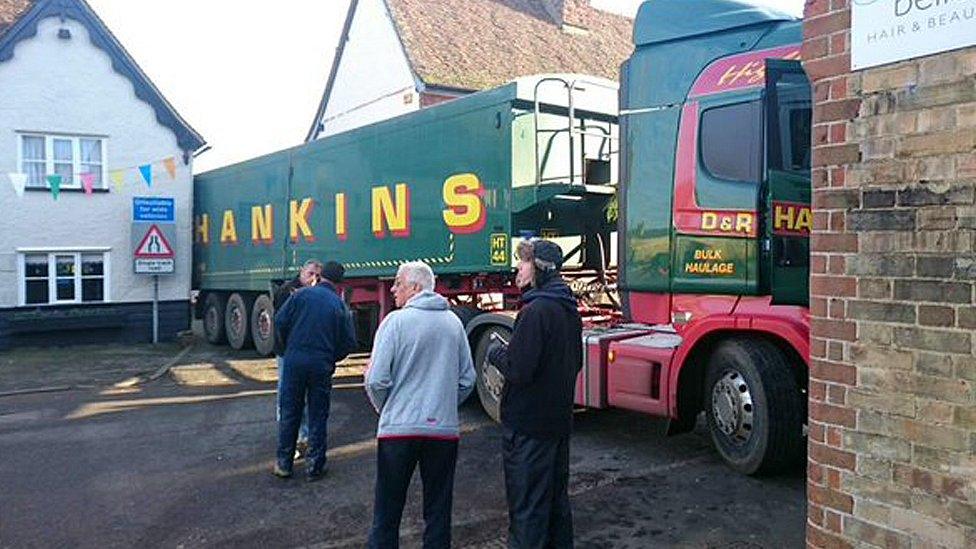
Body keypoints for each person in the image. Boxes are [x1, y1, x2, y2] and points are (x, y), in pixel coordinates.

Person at [365, 261, 476, 548]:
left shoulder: (394, 323)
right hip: (442, 432)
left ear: (415, 287)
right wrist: (444, 405)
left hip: (398, 432)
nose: (393, 289)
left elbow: (376, 379)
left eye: (398, 283)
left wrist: (386, 408)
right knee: (438, 510)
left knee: (387, 511)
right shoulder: (453, 323)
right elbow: (467, 379)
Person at [487, 238, 583, 549]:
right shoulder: (568, 308)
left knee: (527, 508)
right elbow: (576, 362)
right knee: (556, 504)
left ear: (539, 269)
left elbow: (518, 369)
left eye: (523, 262)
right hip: (557, 424)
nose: (518, 268)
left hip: (528, 428)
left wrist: (495, 352)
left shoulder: (536, 311)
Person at [273, 261, 357, 481]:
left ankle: (284, 464)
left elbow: (279, 321)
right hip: (321, 363)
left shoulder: (300, 296)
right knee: (318, 414)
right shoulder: (339, 306)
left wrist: (288, 348)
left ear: (319, 277)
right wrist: (331, 356)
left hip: (294, 361)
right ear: (339, 284)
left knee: (290, 411)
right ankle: (314, 467)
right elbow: (349, 342)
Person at [272, 259, 322, 457]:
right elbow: (281, 323)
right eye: (310, 274)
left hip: (306, 352)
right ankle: (289, 439)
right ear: (302, 272)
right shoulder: (287, 292)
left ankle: (305, 437)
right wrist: (286, 348)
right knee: (287, 394)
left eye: (317, 276)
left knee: (307, 396)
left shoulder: (317, 294)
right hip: (288, 352)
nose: (313, 279)